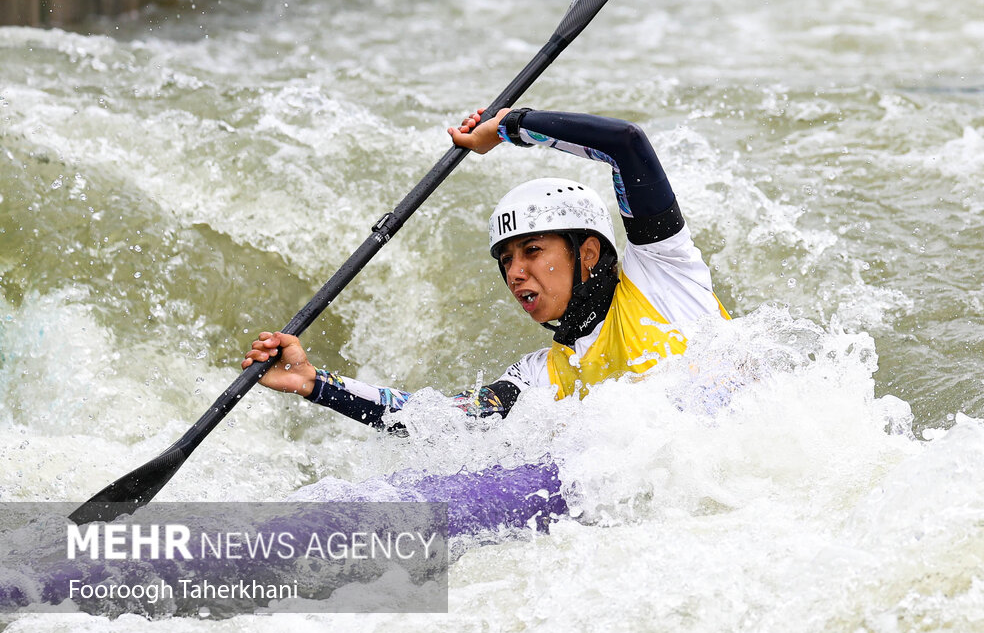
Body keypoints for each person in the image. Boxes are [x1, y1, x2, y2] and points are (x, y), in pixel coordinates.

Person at [242, 107, 730, 431]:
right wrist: (313, 383)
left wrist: (508, 128)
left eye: (533, 250)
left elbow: (626, 144)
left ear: (587, 254)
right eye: (506, 260)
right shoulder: (542, 377)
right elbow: (443, 420)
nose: (515, 273)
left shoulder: (663, 273)